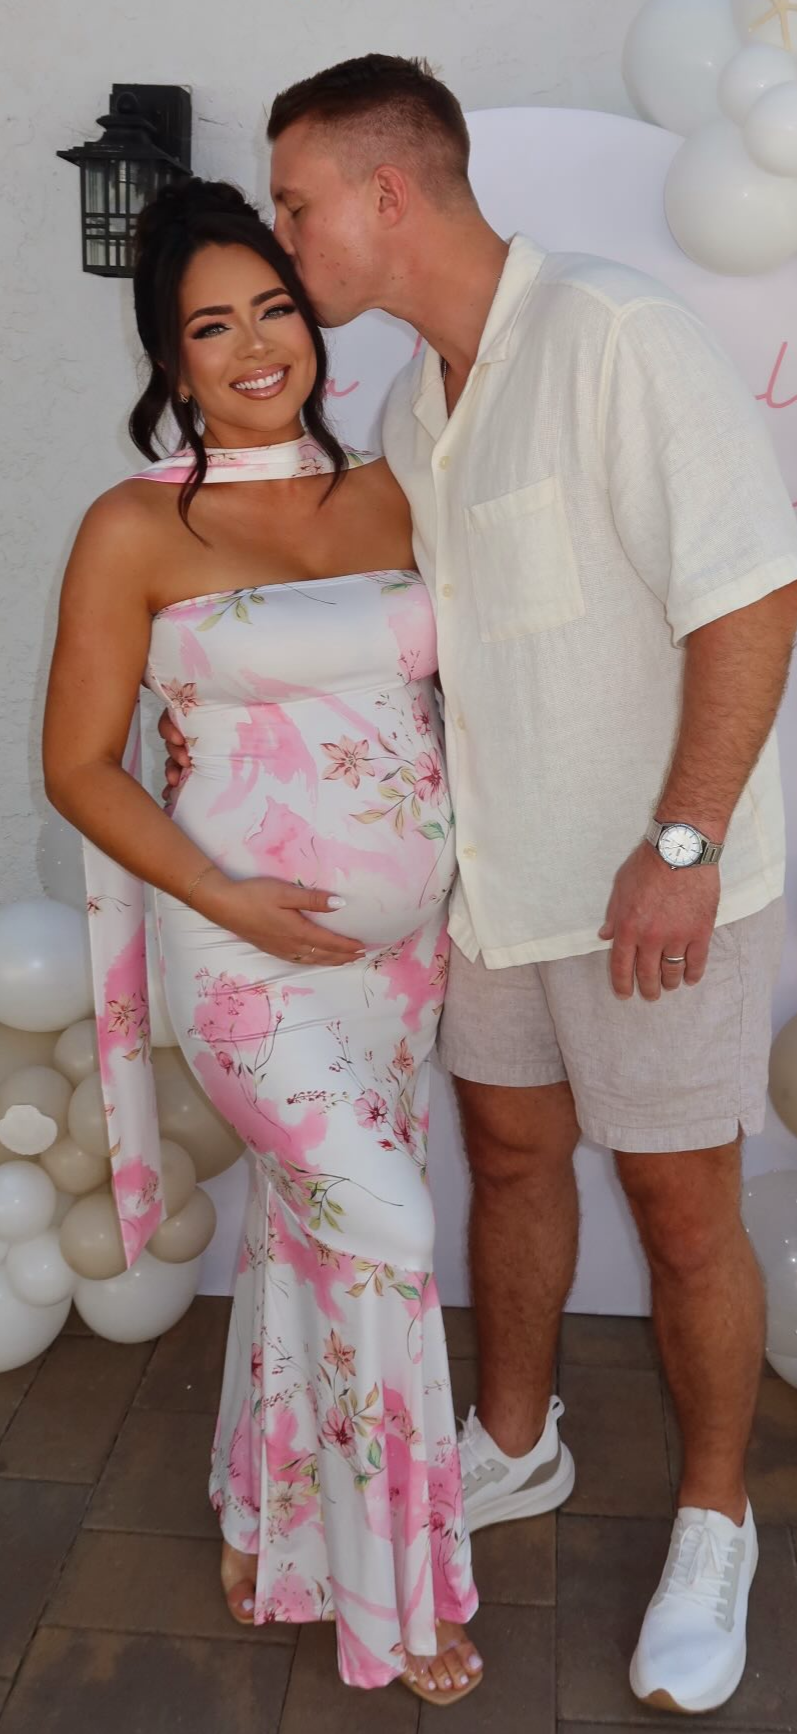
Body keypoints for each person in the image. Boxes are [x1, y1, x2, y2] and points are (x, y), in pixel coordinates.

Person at [157, 54, 797, 1715]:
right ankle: (516, 1444)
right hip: (496, 894)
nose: (288, 242)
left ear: (387, 194)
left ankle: (717, 1521)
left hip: (659, 892)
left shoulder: (612, 335)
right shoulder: (412, 412)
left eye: (298, 204)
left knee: (681, 1207)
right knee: (510, 1158)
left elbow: (752, 594)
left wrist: (684, 840)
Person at [42, 176, 483, 1705]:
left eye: (273, 307)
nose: (251, 346)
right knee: (387, 1229)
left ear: (312, 319)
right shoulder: (133, 529)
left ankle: (268, 1513)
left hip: (399, 966)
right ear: (171, 363)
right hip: (239, 964)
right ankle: (393, 1595)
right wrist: (226, 900)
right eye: (208, 326)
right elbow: (79, 763)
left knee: (310, 1233)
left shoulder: (397, 488)